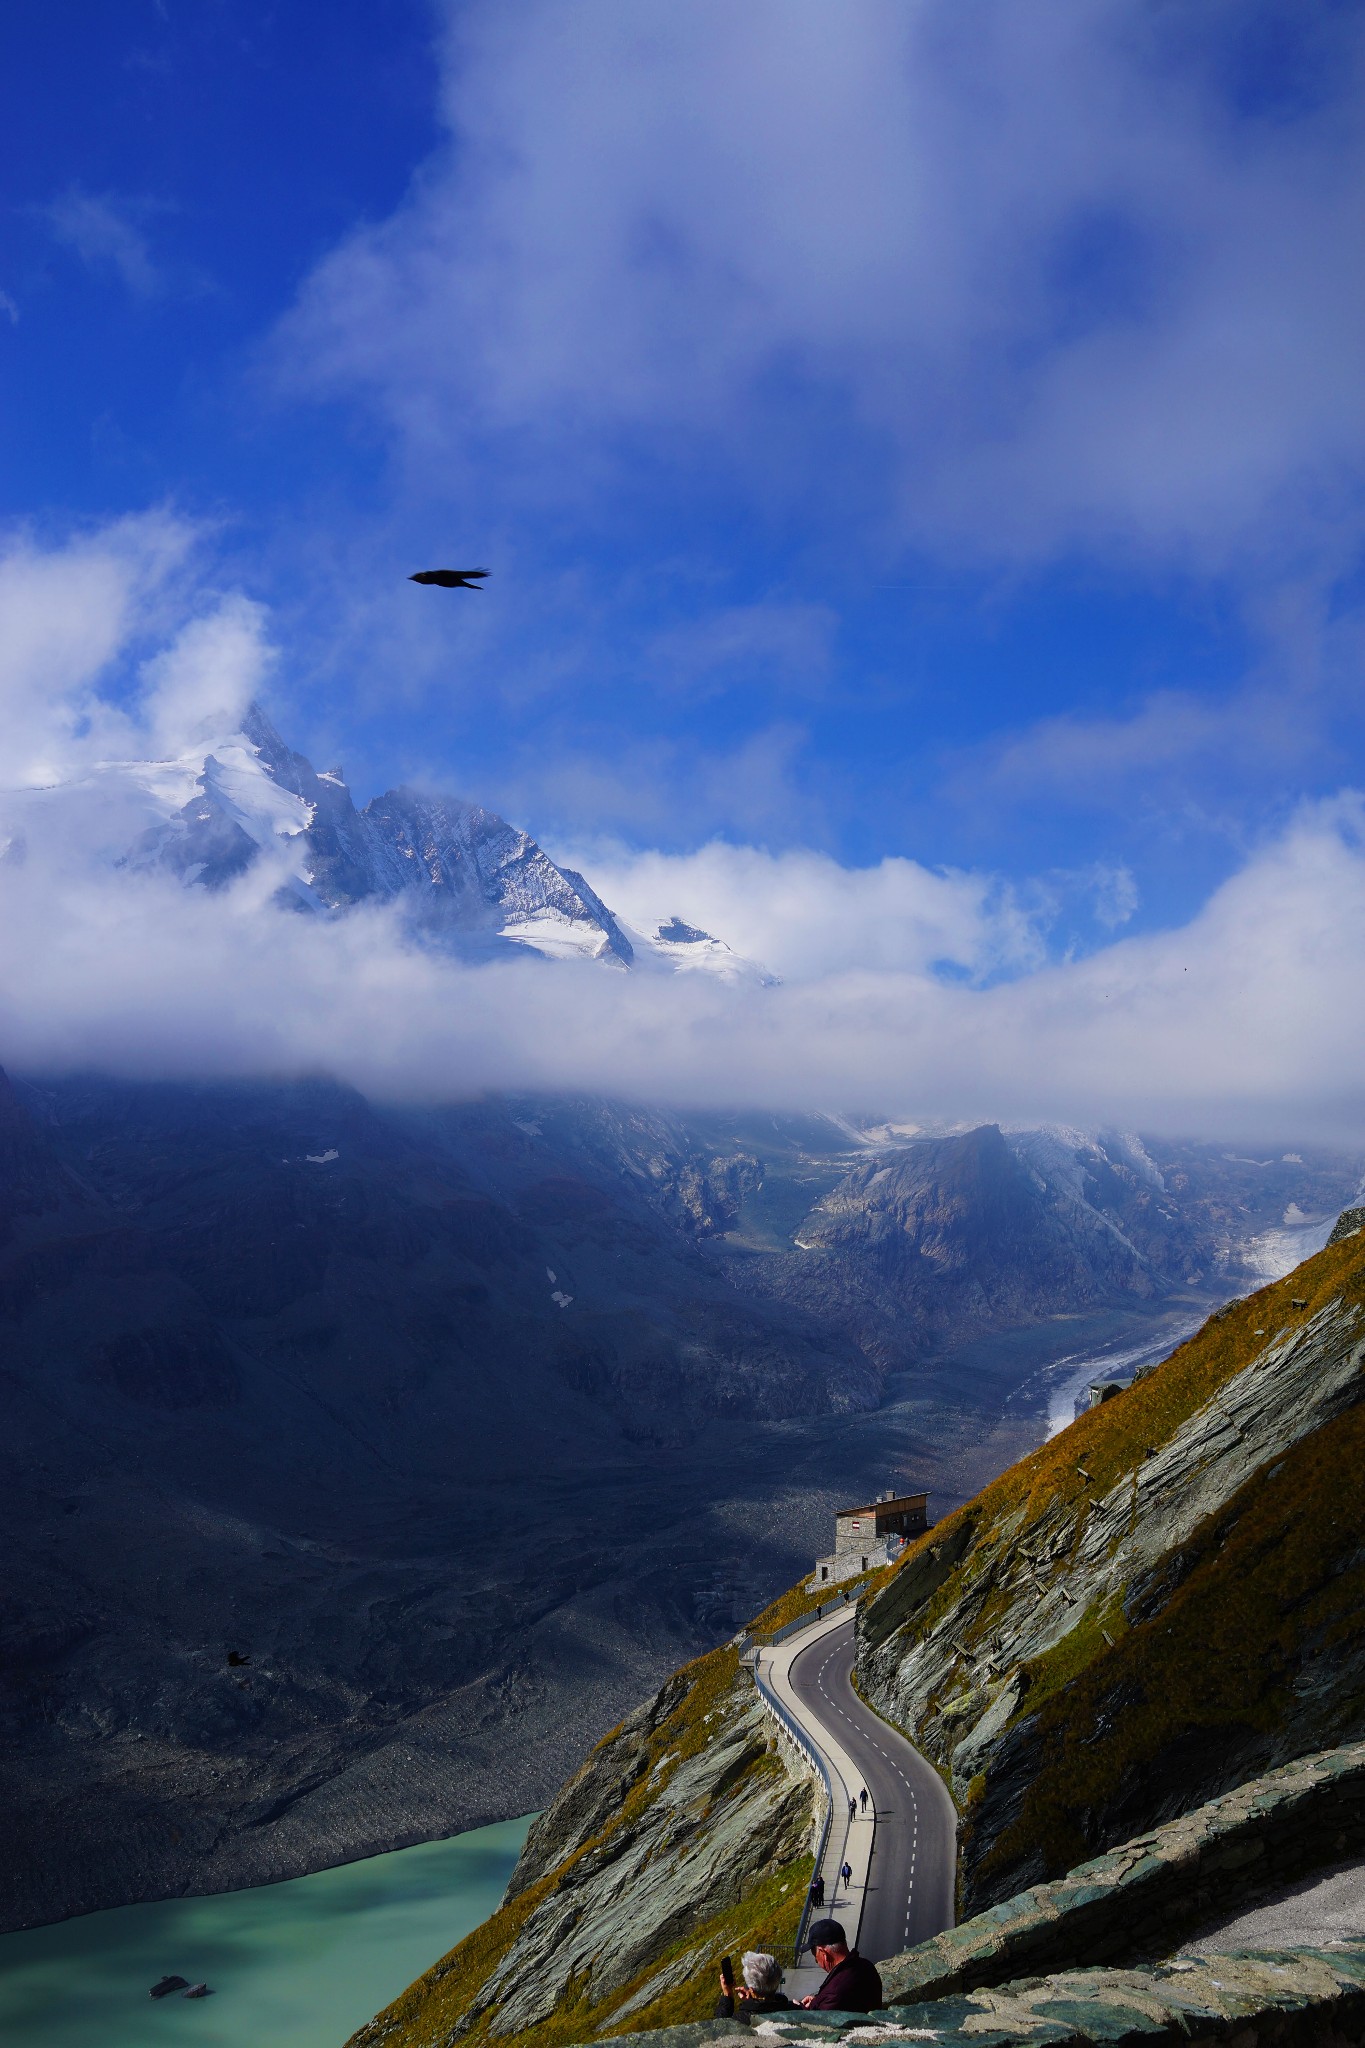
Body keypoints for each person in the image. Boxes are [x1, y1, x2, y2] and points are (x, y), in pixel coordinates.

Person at [797, 1919, 883, 2012]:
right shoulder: (866, 1965)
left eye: (816, 1958)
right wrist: (816, 2001)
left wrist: (800, 2009)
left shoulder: (834, 1992)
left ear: (823, 1953)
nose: (817, 1962)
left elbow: (822, 2021)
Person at [714, 1951, 793, 2019]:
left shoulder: (741, 2020)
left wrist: (727, 1994)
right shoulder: (792, 2011)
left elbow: (720, 2024)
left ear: (751, 1989)